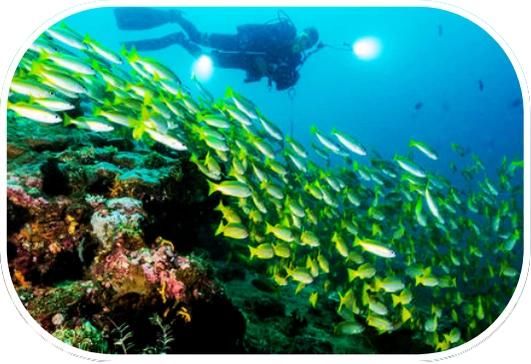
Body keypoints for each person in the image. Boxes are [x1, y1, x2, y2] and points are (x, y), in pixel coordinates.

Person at [114, 7, 322, 91]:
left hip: (239, 63)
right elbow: (260, 33)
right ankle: (174, 17)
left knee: (201, 57)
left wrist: (290, 77)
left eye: (306, 44)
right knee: (197, 36)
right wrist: (261, 57)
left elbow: (282, 85)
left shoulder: (294, 60)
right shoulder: (284, 30)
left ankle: (177, 39)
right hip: (238, 42)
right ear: (300, 32)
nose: (302, 43)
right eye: (303, 37)